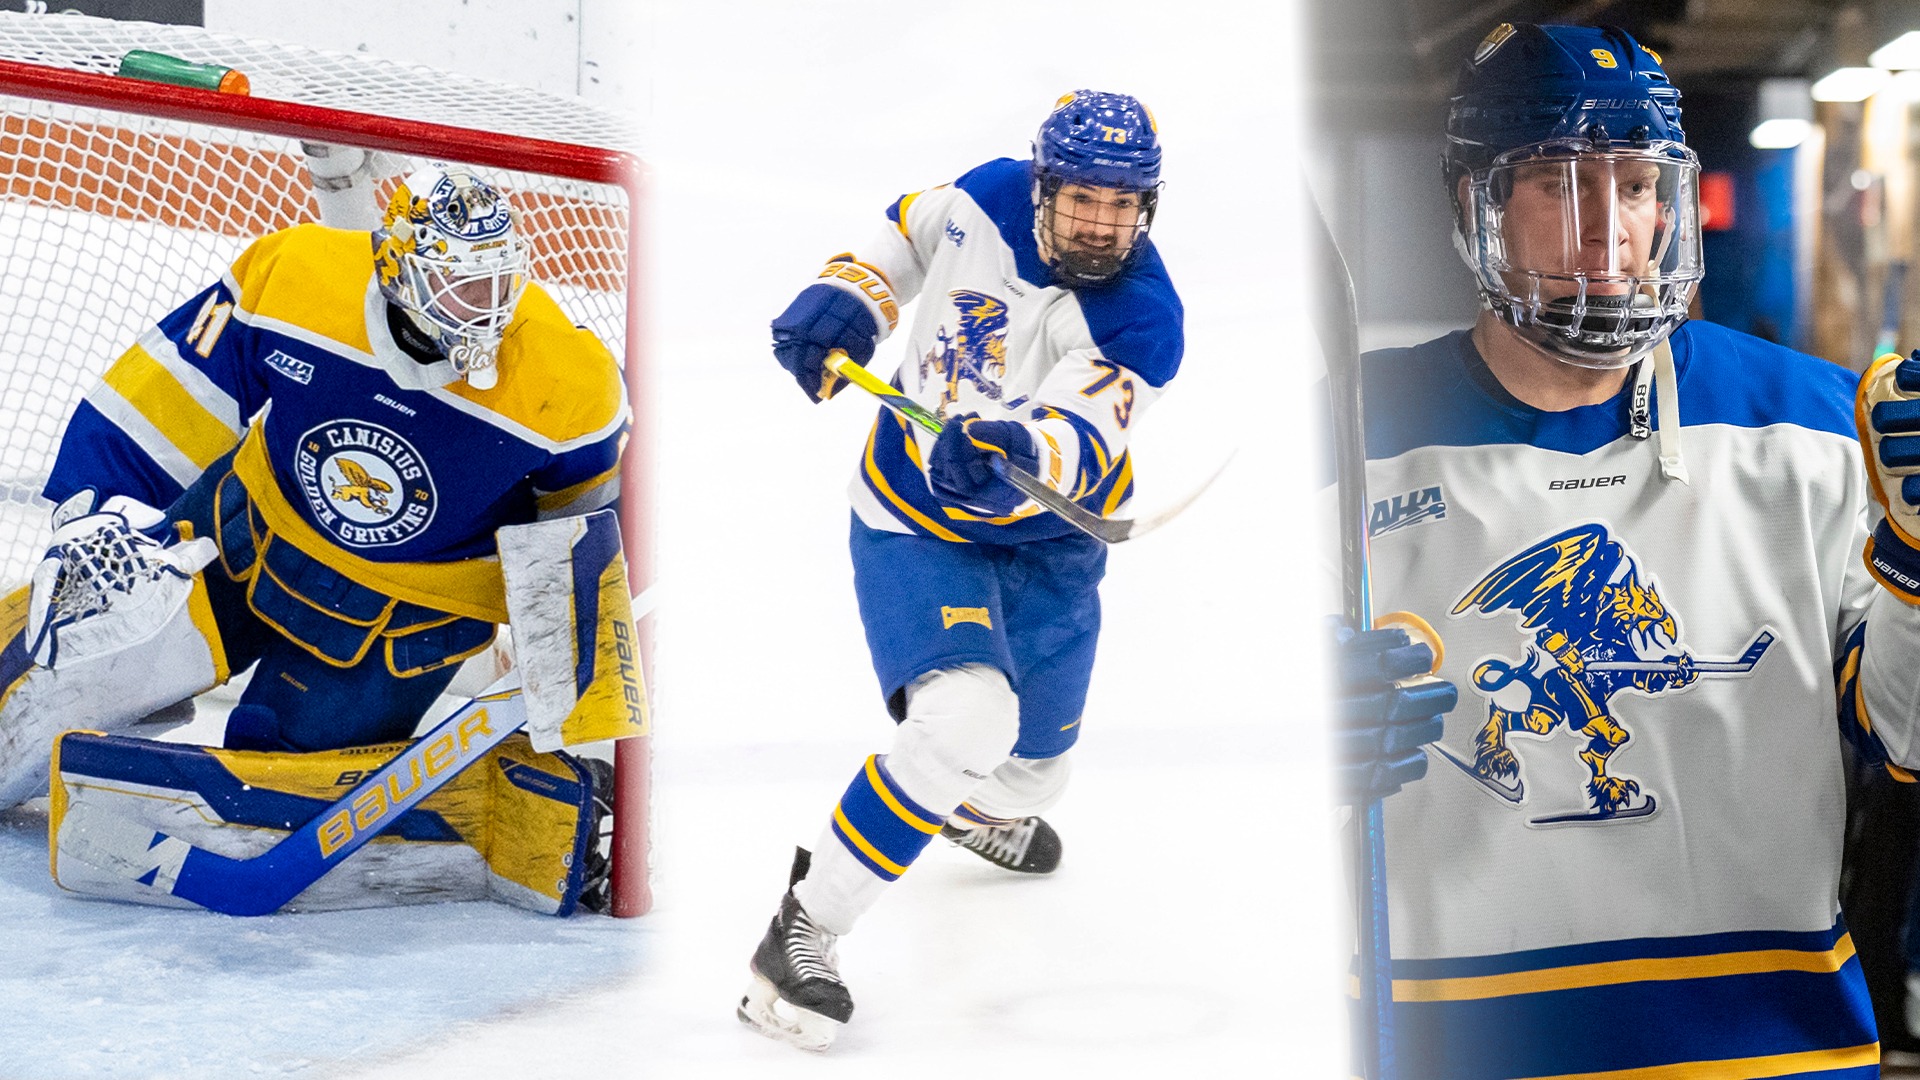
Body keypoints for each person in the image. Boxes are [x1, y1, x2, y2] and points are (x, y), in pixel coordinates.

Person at [1345, 21, 1913, 1075]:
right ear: (1475, 203)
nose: (1609, 230)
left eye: (1639, 184)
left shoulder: (1819, 427)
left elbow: (1910, 740)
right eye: (1560, 184)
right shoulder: (1340, 442)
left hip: (1770, 1052)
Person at [736, 90, 1183, 1050]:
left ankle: (950, 803)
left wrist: (1017, 450)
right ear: (1042, 188)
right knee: (966, 717)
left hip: (1049, 543)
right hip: (911, 519)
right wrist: (852, 295)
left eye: (1124, 204)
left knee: (1030, 777)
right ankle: (803, 928)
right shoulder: (985, 195)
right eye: (1083, 201)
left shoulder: (1143, 320)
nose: (1103, 225)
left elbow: (1083, 425)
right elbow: (905, 235)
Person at [0, 162, 627, 814]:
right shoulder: (297, 276)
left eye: (498, 281)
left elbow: (582, 549)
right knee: (62, 667)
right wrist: (99, 512)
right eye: (460, 285)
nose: (487, 307)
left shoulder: (570, 383)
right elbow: (169, 395)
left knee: (269, 781)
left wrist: (566, 700)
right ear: (397, 268)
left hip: (406, 618)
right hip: (246, 535)